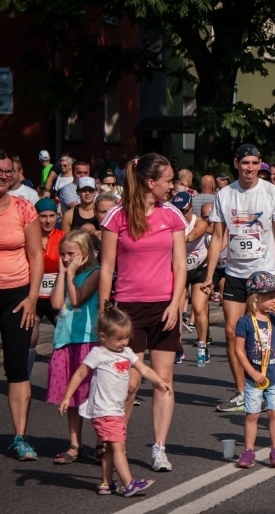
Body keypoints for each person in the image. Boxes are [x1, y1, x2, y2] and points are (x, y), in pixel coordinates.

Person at [98, 153, 187, 471]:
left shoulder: (173, 215)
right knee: (129, 384)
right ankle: (113, 443)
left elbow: (180, 265)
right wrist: (103, 310)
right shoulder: (117, 217)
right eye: (168, 180)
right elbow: (107, 268)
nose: (172, 185)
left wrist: (176, 304)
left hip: (165, 307)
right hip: (127, 310)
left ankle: (159, 448)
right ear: (151, 183)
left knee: (163, 380)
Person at [202, 144, 275, 412]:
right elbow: (218, 236)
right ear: (236, 163)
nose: (250, 168)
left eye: (254, 163)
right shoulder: (225, 194)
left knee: (267, 332)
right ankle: (242, 391)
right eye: (245, 163)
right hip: (234, 274)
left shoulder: (271, 192)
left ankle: (270, 382)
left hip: (264, 276)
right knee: (232, 331)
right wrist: (209, 275)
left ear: (260, 164)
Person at [58, 305, 171, 496]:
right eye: (118, 338)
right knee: (119, 446)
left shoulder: (126, 352)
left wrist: (159, 381)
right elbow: (80, 374)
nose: (123, 342)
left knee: (110, 447)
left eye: (126, 337)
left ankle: (106, 483)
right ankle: (128, 483)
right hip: (104, 410)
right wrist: (68, 396)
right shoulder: (99, 354)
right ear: (103, 336)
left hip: (116, 409)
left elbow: (144, 369)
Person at [0, 151, 43, 461]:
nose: (3, 175)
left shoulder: (23, 208)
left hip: (16, 297)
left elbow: (36, 255)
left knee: (17, 369)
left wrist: (32, 297)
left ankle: (20, 438)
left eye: (7, 171)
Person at [47, 230, 101, 464]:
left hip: (88, 339)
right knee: (71, 395)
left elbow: (78, 299)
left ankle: (102, 443)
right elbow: (57, 303)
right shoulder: (65, 272)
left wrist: (70, 276)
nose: (66, 258)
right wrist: (62, 273)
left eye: (71, 254)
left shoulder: (95, 273)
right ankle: (74, 444)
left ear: (85, 253)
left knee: (93, 394)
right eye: (63, 254)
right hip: (65, 339)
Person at [233, 271, 275, 469]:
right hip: (254, 377)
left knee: (274, 413)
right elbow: (238, 351)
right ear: (256, 299)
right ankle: (248, 451)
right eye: (271, 296)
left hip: (274, 375)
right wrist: (252, 372)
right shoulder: (245, 322)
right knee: (252, 414)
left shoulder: (273, 319)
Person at [171, 192, 210, 362]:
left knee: (198, 307)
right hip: (179, 270)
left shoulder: (198, 222)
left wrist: (182, 238)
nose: (182, 214)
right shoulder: (170, 223)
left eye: (185, 211)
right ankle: (177, 347)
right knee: (177, 309)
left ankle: (202, 345)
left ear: (191, 208)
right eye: (178, 211)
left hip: (200, 268)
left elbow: (196, 233)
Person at [31, 198, 64, 376]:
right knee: (30, 334)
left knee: (63, 334)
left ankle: (62, 374)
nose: (48, 220)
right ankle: (24, 376)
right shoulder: (29, 237)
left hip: (57, 296)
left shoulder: (63, 237)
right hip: (35, 295)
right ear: (36, 217)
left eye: (52, 216)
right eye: (43, 216)